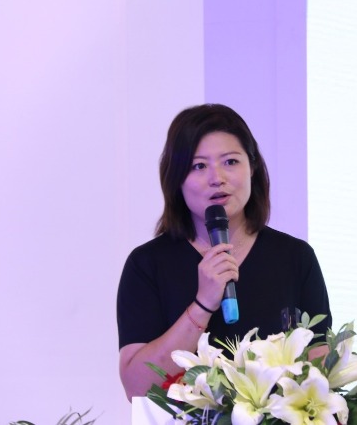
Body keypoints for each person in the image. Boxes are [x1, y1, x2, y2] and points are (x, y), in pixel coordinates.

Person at [116, 103, 332, 400]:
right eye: (199, 166)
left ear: (252, 168)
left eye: (230, 162)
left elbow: (321, 379)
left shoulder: (295, 257)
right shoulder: (147, 264)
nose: (217, 178)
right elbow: (137, 388)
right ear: (176, 179)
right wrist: (203, 303)